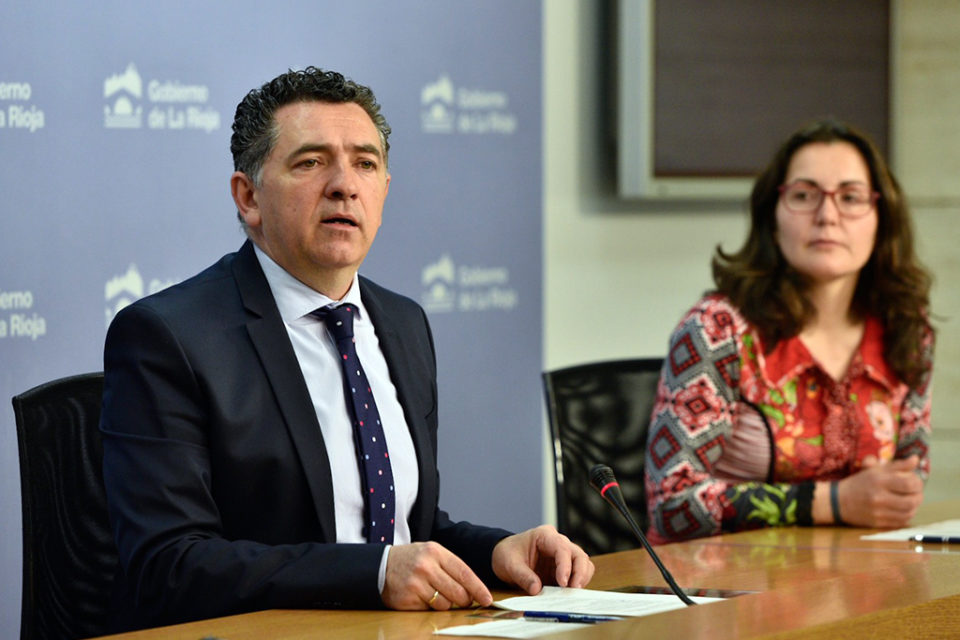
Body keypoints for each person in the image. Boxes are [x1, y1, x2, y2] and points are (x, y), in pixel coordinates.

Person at [99, 67, 593, 632]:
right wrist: (374, 573)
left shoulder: (403, 323)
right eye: (310, 162)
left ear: (384, 188)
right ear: (248, 196)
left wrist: (497, 550)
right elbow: (169, 565)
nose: (344, 184)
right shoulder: (169, 336)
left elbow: (405, 527)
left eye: (365, 162)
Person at [644, 119, 934, 544]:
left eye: (850, 197)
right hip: (715, 590)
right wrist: (835, 502)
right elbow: (672, 502)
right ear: (772, 216)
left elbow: (908, 478)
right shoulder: (717, 327)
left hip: (852, 581)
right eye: (804, 195)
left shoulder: (905, 328)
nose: (827, 216)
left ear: (882, 217)